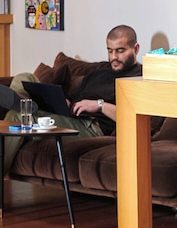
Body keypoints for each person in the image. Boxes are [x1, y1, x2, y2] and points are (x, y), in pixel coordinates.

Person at [0, 25, 142, 172]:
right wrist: (65, 100)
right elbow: (75, 97)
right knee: (25, 76)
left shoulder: (139, 78)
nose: (114, 57)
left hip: (92, 126)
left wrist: (100, 105)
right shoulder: (100, 72)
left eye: (120, 51)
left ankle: (25, 105)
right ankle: (24, 101)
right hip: (71, 115)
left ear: (136, 48)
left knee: (18, 116)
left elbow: (133, 117)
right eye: (110, 51)